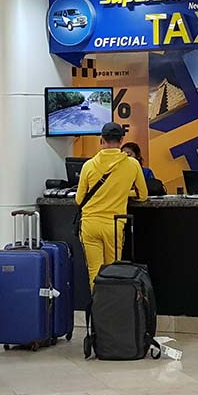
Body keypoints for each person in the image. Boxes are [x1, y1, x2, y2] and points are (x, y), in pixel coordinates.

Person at [76, 123, 148, 288]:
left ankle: (98, 310)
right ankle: (112, 310)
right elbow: (142, 195)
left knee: (94, 272)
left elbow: (79, 200)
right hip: (114, 225)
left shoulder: (88, 165)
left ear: (101, 140)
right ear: (122, 140)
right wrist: (123, 193)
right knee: (113, 271)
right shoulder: (132, 164)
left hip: (90, 224)